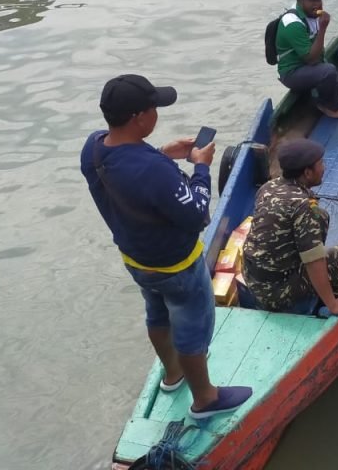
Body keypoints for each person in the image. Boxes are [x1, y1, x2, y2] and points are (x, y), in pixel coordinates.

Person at [80, 74, 252, 419]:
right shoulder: (153, 171)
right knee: (192, 327)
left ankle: (172, 375)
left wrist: (162, 154)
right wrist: (201, 168)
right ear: (138, 117)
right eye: (153, 107)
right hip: (177, 267)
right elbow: (198, 214)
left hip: (137, 260)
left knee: (157, 314)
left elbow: (131, 176)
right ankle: (205, 399)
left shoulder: (94, 147)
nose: (157, 112)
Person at [243, 139, 338, 317]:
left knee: (320, 218)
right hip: (276, 293)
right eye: (320, 163)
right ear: (307, 173)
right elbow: (313, 261)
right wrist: (333, 304)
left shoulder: (268, 187)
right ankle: (315, 304)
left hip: (253, 281)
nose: (324, 167)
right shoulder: (302, 206)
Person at [276, 0, 338, 119]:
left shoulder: (311, 14)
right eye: (311, 0)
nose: (317, 4)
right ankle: (326, 105)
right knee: (328, 71)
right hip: (292, 72)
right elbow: (312, 59)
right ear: (300, 0)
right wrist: (323, 28)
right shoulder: (293, 23)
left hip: (309, 65)